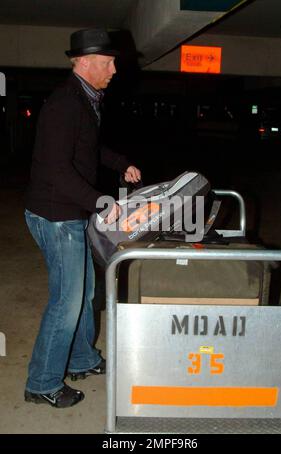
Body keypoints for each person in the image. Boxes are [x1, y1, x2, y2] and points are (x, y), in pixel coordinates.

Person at [24, 28, 141, 408]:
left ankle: (82, 359)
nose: (114, 69)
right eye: (108, 62)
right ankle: (42, 383)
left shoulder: (86, 99)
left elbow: (89, 148)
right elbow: (58, 170)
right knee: (66, 302)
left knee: (87, 292)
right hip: (57, 217)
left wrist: (121, 163)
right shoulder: (64, 104)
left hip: (70, 212)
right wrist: (102, 201)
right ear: (86, 62)